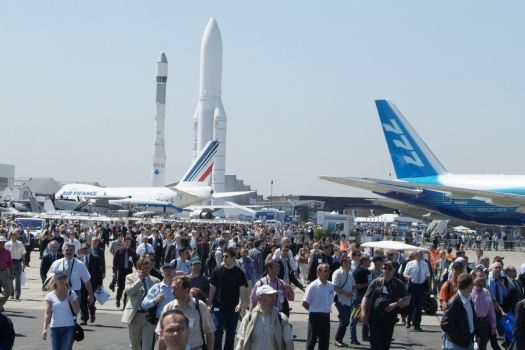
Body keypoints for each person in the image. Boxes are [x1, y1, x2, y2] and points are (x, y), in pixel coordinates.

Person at [156, 275, 215, 350]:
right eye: (172, 288)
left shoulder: (200, 306)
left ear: (186, 290)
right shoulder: (168, 308)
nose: (172, 292)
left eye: (176, 289)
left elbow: (209, 332)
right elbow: (161, 335)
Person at [361, 261, 410, 350]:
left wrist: (395, 304)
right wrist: (364, 313)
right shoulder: (376, 282)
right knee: (375, 344)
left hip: (389, 318)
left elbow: (407, 300)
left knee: (385, 345)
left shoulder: (398, 284)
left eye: (389, 268)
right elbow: (366, 298)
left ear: (394, 270)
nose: (386, 270)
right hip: (374, 317)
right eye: (385, 268)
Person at [208, 247, 247, 350]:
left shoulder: (239, 273)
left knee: (230, 333)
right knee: (217, 330)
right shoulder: (216, 271)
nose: (224, 258)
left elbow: (242, 289)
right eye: (223, 256)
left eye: (226, 256)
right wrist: (209, 303)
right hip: (218, 306)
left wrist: (240, 303)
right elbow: (213, 288)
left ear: (233, 258)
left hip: (233, 308)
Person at [236, 285, 294, 350]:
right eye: (270, 295)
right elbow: (241, 343)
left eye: (274, 295)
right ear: (260, 298)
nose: (274, 298)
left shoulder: (281, 318)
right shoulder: (249, 317)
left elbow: (289, 343)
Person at [121, 257, 160, 350]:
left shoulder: (156, 281)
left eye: (148, 267)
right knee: (134, 345)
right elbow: (129, 292)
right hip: (135, 315)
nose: (147, 270)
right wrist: (139, 280)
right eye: (144, 268)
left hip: (149, 316)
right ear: (139, 268)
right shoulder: (130, 277)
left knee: (147, 345)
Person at [42, 272, 81, 350]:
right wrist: (45, 329)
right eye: (59, 278)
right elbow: (47, 313)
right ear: (55, 280)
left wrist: (71, 301)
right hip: (55, 328)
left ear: (66, 280)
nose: (62, 280)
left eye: (64, 278)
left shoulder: (71, 293)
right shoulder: (50, 295)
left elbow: (77, 311)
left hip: (69, 327)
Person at [441, 273, 479, 350]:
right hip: (456, 345)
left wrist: (476, 334)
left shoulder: (469, 299)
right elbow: (445, 324)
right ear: (468, 286)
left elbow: (472, 319)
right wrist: (461, 336)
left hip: (468, 342)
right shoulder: (454, 302)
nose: (474, 286)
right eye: (473, 284)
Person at [302, 263, 334, 350]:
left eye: (329, 271)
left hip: (326, 317)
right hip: (315, 317)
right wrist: (313, 310)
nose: (328, 273)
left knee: (324, 343)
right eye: (325, 271)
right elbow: (305, 303)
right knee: (311, 342)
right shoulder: (312, 286)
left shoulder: (331, 285)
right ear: (318, 272)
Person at [403, 250, 430, 331]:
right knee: (411, 305)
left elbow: (428, 276)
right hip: (412, 285)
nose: (421, 255)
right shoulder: (410, 263)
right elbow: (404, 274)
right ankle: (408, 321)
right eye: (419, 253)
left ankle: (417, 324)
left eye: (421, 254)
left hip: (421, 286)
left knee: (419, 306)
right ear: (415, 255)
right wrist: (408, 277)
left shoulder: (425, 264)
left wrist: (429, 288)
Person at [332, 256, 355, 347]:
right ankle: (338, 339)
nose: (350, 264)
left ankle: (340, 339)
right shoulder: (337, 273)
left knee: (344, 321)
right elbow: (335, 287)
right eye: (349, 262)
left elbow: (353, 285)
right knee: (345, 321)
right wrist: (346, 293)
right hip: (340, 300)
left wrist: (352, 292)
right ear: (344, 263)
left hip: (349, 300)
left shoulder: (350, 273)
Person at [471, 270, 496, 350]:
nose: (483, 279)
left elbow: (491, 310)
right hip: (472, 322)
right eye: (480, 277)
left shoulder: (486, 292)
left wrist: (493, 324)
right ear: (474, 279)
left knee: (482, 346)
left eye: (484, 277)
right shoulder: (469, 292)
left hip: (484, 323)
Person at [79, 243, 104, 325]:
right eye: (82, 249)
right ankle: (84, 319)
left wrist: (100, 283)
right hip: (81, 284)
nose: (84, 250)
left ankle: (92, 312)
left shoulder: (96, 258)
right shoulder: (79, 259)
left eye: (86, 248)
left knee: (91, 302)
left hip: (93, 284)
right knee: (82, 301)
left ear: (89, 248)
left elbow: (99, 272)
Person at [350, 255, 371, 345]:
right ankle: (353, 338)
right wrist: (366, 284)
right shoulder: (357, 272)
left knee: (366, 315)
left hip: (366, 296)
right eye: (368, 261)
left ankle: (365, 335)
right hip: (358, 296)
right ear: (363, 262)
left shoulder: (367, 272)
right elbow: (355, 286)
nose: (370, 262)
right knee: (354, 316)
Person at [113, 237, 139, 308]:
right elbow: (115, 262)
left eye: (129, 242)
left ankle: (125, 304)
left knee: (127, 288)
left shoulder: (132, 252)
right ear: (124, 242)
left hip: (129, 271)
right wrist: (114, 272)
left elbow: (135, 262)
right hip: (121, 271)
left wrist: (138, 269)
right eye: (126, 242)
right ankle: (118, 300)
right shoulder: (119, 251)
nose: (128, 243)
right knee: (121, 287)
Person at [5, 229, 26, 300]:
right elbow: (5, 255)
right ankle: (11, 293)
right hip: (10, 263)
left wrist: (24, 263)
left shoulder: (20, 243)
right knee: (10, 279)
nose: (14, 236)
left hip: (18, 262)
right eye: (13, 235)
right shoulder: (7, 244)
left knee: (18, 279)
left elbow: (23, 253)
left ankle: (17, 293)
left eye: (15, 235)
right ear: (10, 235)